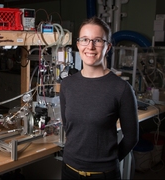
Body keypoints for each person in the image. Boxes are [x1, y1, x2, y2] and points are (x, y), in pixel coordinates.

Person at [59, 16, 139, 179]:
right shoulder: (67, 85)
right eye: (85, 40)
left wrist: (109, 163)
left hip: (104, 175)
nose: (90, 46)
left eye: (97, 40)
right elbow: (69, 128)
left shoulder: (121, 88)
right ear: (78, 44)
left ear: (108, 47)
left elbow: (131, 138)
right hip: (69, 171)